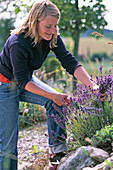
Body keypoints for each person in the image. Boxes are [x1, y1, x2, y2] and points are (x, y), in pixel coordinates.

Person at [0, 0, 100, 169]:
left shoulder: (51, 37)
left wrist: (92, 85)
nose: (53, 30)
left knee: (55, 102)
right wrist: (53, 94)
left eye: (55, 26)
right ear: (35, 21)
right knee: (9, 145)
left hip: (25, 80)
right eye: (48, 26)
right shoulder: (18, 43)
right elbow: (23, 81)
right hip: (5, 85)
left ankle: (57, 155)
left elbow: (69, 61)